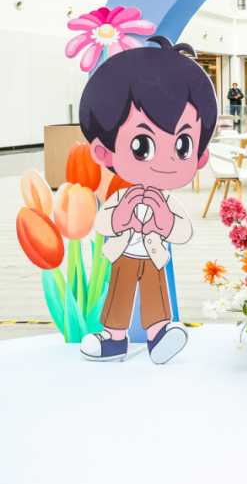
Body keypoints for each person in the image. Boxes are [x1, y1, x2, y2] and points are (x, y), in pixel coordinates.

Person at [77, 35, 217, 364]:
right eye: (142, 145)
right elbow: (103, 223)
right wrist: (121, 217)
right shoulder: (121, 196)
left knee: (156, 296)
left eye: (182, 145)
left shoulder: (165, 201)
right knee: (119, 294)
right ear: (104, 152)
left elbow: (181, 231)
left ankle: (160, 335)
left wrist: (164, 220)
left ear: (200, 156)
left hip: (154, 255)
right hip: (124, 253)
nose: (166, 162)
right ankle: (114, 338)